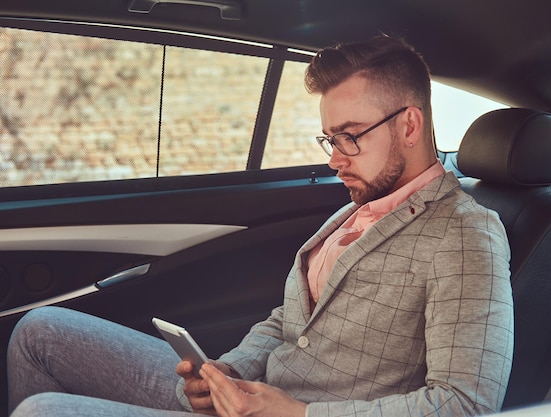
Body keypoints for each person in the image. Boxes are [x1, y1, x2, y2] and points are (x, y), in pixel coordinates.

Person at [7, 35, 513, 417]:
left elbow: (465, 402)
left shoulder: (466, 235)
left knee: (42, 413)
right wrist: (231, 370)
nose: (336, 159)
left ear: (408, 124)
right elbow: (288, 322)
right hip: (249, 398)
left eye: (349, 137)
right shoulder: (360, 204)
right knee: (39, 332)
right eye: (329, 140)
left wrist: (298, 414)